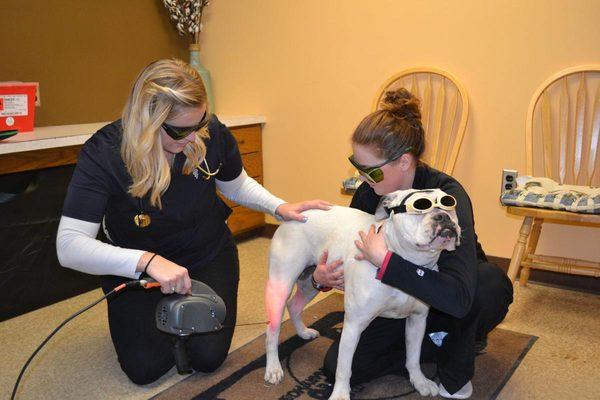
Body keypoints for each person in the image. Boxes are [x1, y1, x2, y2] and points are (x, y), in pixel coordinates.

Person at [56, 59, 331, 385]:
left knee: (208, 358)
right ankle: (155, 316)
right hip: (138, 267)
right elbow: (69, 245)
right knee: (146, 370)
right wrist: (148, 262)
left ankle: (174, 316)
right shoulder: (105, 153)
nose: (194, 137)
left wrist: (279, 207)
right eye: (181, 130)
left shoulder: (209, 132)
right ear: (148, 120)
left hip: (205, 251)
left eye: (199, 124)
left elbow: (235, 184)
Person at [313, 88, 513, 399]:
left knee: (490, 284)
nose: (361, 177)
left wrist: (387, 262)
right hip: (393, 303)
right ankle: (436, 345)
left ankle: (451, 343)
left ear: (405, 162)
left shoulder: (447, 194)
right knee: (336, 365)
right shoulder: (371, 193)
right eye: (357, 166)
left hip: (450, 299)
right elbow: (352, 262)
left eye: (370, 170)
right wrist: (322, 279)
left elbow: (458, 296)